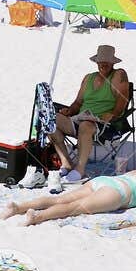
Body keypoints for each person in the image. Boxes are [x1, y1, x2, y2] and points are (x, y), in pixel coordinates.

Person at [51, 45, 131, 185]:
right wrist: (69, 111)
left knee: (86, 125)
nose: (103, 64)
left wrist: (113, 113)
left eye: (106, 62)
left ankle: (80, 169)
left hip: (104, 124)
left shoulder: (119, 75)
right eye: (100, 61)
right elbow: (78, 102)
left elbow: (123, 99)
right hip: (81, 118)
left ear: (113, 63)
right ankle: (67, 163)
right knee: (50, 121)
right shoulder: (88, 78)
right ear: (96, 62)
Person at [0, 170, 136, 225]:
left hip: (104, 181)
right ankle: (37, 217)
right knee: (73, 208)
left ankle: (17, 208)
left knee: (60, 199)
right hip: (117, 193)